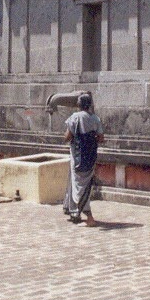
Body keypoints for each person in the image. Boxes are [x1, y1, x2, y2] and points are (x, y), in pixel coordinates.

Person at [63, 93, 104, 227]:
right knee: (83, 186)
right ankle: (75, 213)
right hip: (91, 157)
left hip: (78, 157)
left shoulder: (74, 117)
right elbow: (101, 138)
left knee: (79, 187)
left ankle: (89, 217)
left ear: (79, 105)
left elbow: (68, 136)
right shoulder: (95, 119)